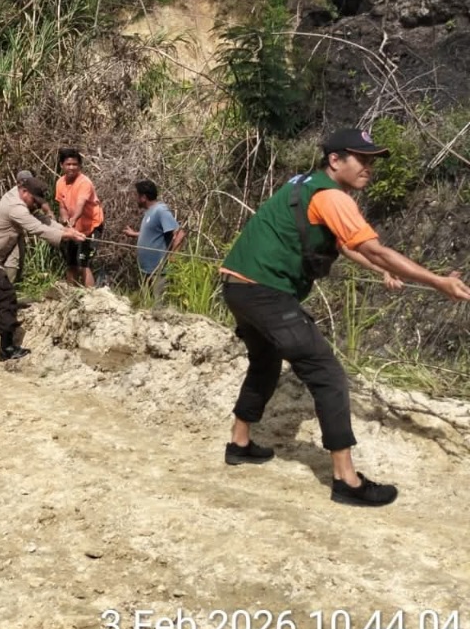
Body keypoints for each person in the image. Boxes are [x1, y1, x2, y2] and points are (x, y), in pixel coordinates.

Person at [220, 127, 470, 507]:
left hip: (238, 286)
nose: (369, 167)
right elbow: (376, 248)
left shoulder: (303, 184)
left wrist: (381, 270)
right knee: (328, 374)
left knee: (265, 362)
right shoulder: (334, 197)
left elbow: (345, 245)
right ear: (335, 160)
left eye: (371, 160)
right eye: (362, 159)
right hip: (264, 291)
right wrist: (438, 282)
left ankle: (239, 443)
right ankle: (346, 479)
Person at [0, 176, 85, 361]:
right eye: (34, 201)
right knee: (6, 297)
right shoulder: (16, 208)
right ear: (24, 192)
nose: (36, 205)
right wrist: (64, 236)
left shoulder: (18, 197)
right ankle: (7, 349)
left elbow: (41, 219)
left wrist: (64, 230)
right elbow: (36, 228)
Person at [123, 180, 186, 300]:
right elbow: (154, 233)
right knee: (147, 305)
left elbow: (180, 234)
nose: (135, 198)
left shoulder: (160, 211)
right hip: (147, 270)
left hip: (159, 271)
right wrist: (135, 234)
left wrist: (173, 256)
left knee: (159, 306)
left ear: (143, 197)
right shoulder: (150, 212)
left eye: (137, 195)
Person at [54, 148, 104, 287]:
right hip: (73, 228)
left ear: (80, 166)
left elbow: (80, 206)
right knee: (71, 263)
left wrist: (73, 220)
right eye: (68, 164)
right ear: (61, 165)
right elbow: (62, 206)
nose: (71, 168)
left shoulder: (84, 183)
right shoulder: (60, 183)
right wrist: (64, 220)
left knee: (83, 263)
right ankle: (71, 295)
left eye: (75, 164)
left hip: (91, 226)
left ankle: (91, 298)